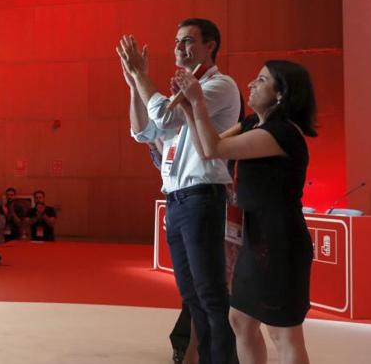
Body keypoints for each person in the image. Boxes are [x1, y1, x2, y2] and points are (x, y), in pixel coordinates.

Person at [174, 59, 316, 364]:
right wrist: (188, 108)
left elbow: (214, 148)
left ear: (281, 94)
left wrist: (198, 99)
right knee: (241, 319)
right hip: (256, 238)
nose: (251, 84)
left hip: (280, 242)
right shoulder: (254, 123)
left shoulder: (282, 133)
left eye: (261, 80)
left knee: (284, 333)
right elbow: (204, 149)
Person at [118, 18, 239, 364]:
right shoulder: (178, 92)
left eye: (188, 41)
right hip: (176, 200)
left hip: (202, 195)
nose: (178, 48)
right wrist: (132, 84)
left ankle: (224, 359)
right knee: (191, 293)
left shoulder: (220, 85)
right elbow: (142, 131)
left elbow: (164, 118)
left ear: (210, 46)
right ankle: (205, 357)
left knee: (211, 293)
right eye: (176, 41)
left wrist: (142, 76)